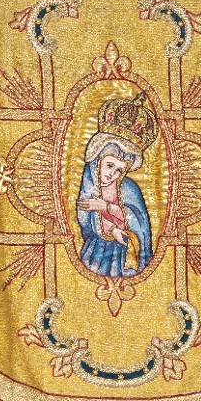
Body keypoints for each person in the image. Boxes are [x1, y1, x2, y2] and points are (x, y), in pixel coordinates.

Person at [76, 91, 157, 277]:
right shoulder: (89, 185)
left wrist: (106, 207)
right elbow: (84, 220)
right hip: (97, 251)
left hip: (126, 251)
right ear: (98, 160)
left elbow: (140, 222)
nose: (112, 174)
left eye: (119, 170)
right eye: (110, 165)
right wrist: (111, 230)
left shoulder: (129, 188)